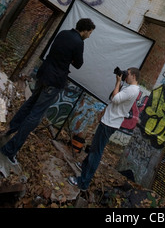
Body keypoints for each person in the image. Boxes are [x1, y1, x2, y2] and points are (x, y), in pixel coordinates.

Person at [0, 18, 95, 165]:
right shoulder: (79, 42)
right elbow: (79, 64)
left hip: (44, 74)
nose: (89, 36)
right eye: (90, 33)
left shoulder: (63, 33)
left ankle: (9, 130)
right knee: (35, 115)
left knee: (30, 104)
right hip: (54, 81)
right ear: (85, 30)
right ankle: (10, 150)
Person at [68, 67, 140, 191]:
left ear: (133, 76)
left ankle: (83, 183)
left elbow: (116, 99)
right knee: (95, 148)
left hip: (110, 123)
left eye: (127, 74)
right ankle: (85, 166)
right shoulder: (131, 89)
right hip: (109, 121)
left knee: (96, 153)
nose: (125, 76)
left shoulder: (132, 90)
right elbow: (114, 99)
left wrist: (118, 82)